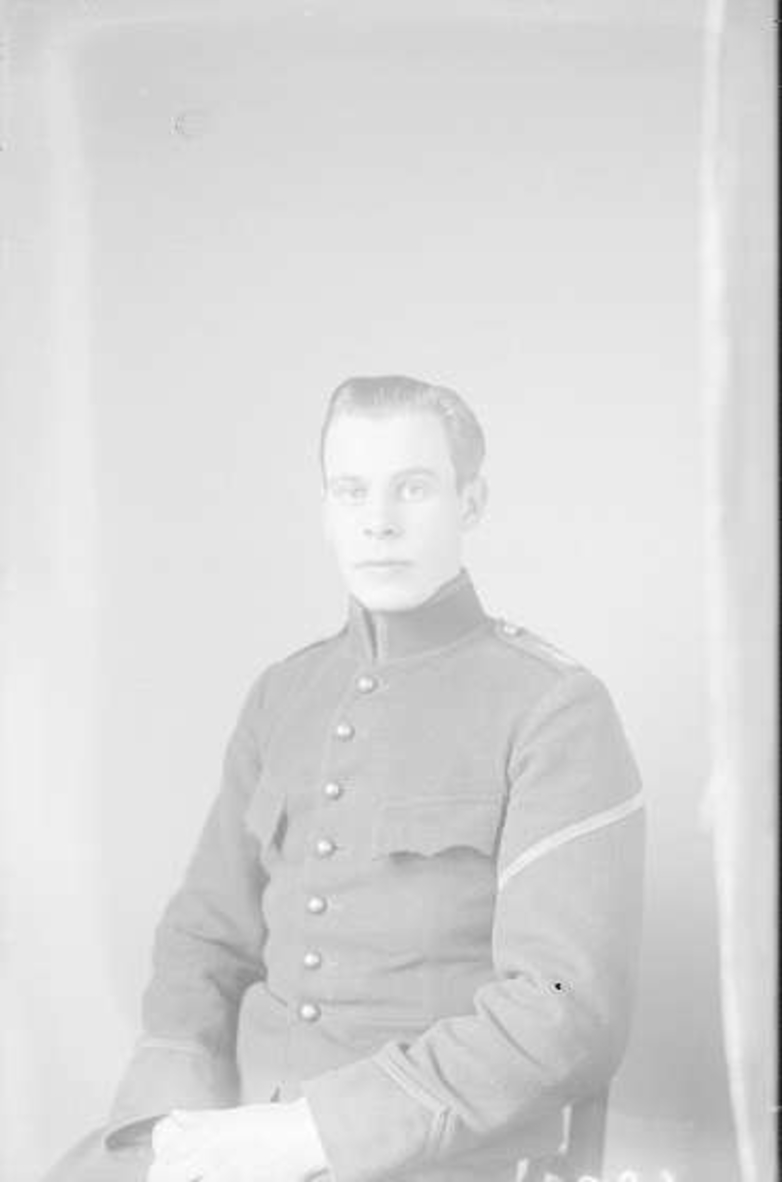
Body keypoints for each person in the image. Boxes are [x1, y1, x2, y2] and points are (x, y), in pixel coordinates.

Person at [44, 375, 645, 1182]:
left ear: (471, 503)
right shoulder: (284, 694)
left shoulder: (554, 708)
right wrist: (173, 1126)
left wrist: (309, 1134)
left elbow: (565, 1008)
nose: (379, 521)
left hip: (424, 1155)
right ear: (327, 509)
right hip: (235, 1132)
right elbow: (203, 937)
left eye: (414, 488)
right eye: (351, 490)